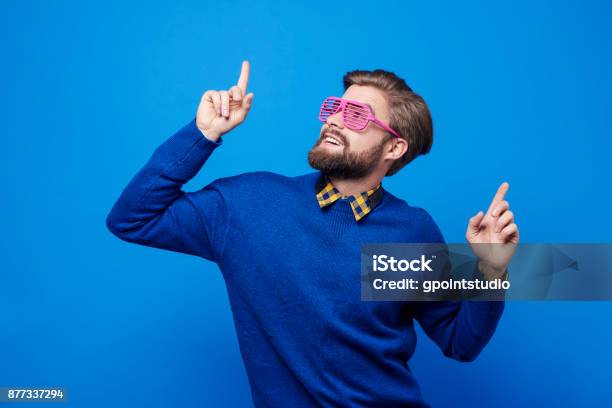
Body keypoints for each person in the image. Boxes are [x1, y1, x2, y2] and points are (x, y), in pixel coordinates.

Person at [106, 60, 519, 407]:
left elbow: (459, 342)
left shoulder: (411, 231)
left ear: (393, 149)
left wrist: (491, 270)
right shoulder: (248, 205)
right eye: (334, 107)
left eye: (356, 115)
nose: (335, 120)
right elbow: (132, 218)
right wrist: (203, 134)